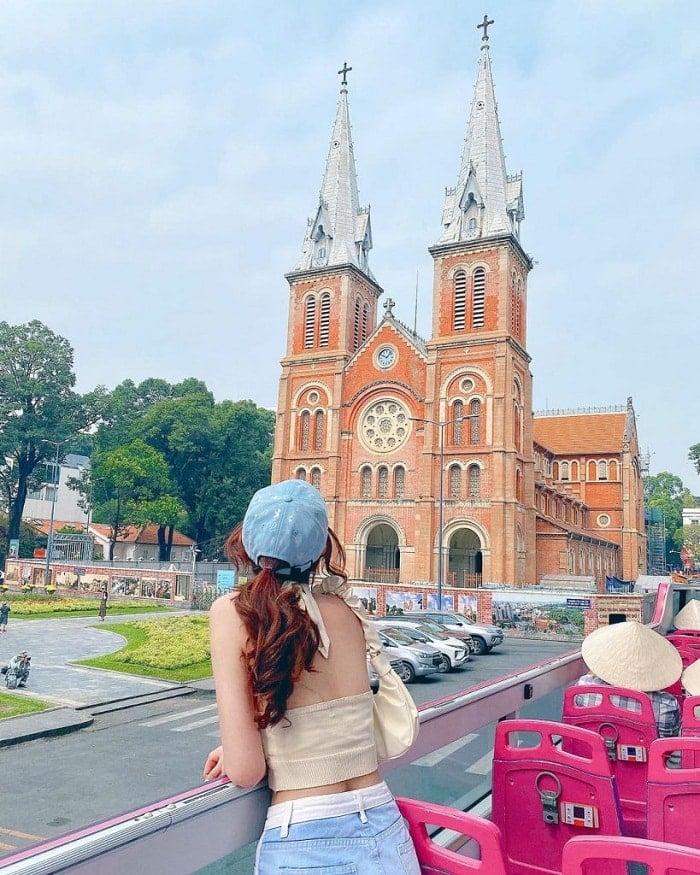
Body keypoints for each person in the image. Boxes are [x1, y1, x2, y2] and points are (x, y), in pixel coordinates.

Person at [203, 479, 420, 875]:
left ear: (247, 541)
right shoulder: (345, 610)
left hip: (306, 837)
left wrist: (237, 746)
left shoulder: (233, 612)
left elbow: (247, 770)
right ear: (322, 548)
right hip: (386, 828)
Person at [574, 620, 682, 737]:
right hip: (647, 755)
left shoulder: (583, 688)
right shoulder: (666, 704)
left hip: (589, 754)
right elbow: (667, 744)